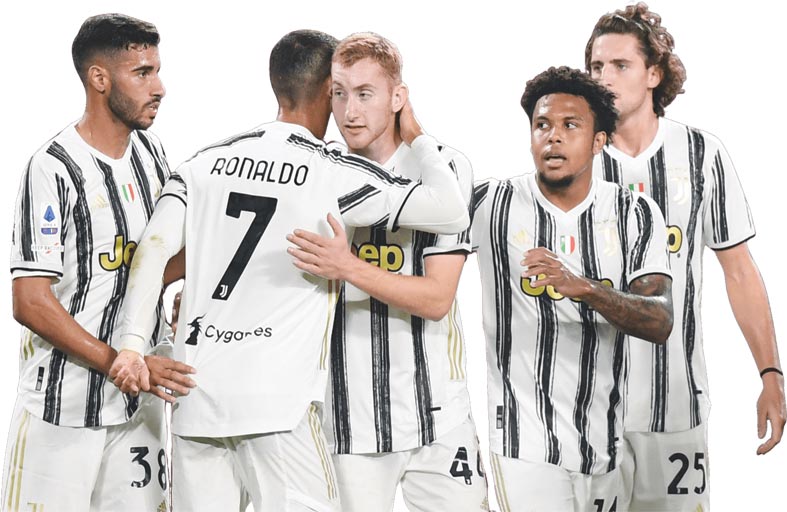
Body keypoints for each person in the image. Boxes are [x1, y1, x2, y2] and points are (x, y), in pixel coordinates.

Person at [114, 29, 469, 511]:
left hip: (195, 396)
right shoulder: (332, 172)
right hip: (278, 405)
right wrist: (417, 135)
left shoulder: (203, 162)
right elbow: (450, 209)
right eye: (340, 91)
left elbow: (153, 252)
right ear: (327, 90)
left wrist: (132, 345)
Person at [585, 3, 786, 510]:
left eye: (620, 65)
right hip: (588, 414)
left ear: (654, 74)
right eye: (596, 66)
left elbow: (739, 272)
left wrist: (770, 374)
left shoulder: (701, 154)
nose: (604, 77)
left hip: (676, 410)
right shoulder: (574, 156)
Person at [285, 33, 487, 512]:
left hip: (438, 417)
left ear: (398, 97)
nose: (349, 111)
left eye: (364, 94)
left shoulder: (445, 168)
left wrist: (348, 267)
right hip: (347, 423)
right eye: (339, 94)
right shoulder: (318, 170)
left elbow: (437, 299)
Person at [2, 13, 194, 512]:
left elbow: (151, 266)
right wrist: (118, 361)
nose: (159, 87)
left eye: (157, 71)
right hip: (62, 410)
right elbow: (30, 301)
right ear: (99, 78)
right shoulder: (52, 168)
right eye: (143, 73)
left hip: (138, 406)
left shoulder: (151, 155)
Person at [470, 66, 673, 511]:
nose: (553, 137)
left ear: (599, 141)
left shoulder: (634, 213)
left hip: (605, 446)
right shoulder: (490, 203)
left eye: (570, 125)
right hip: (523, 447)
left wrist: (584, 288)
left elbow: (660, 320)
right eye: (542, 125)